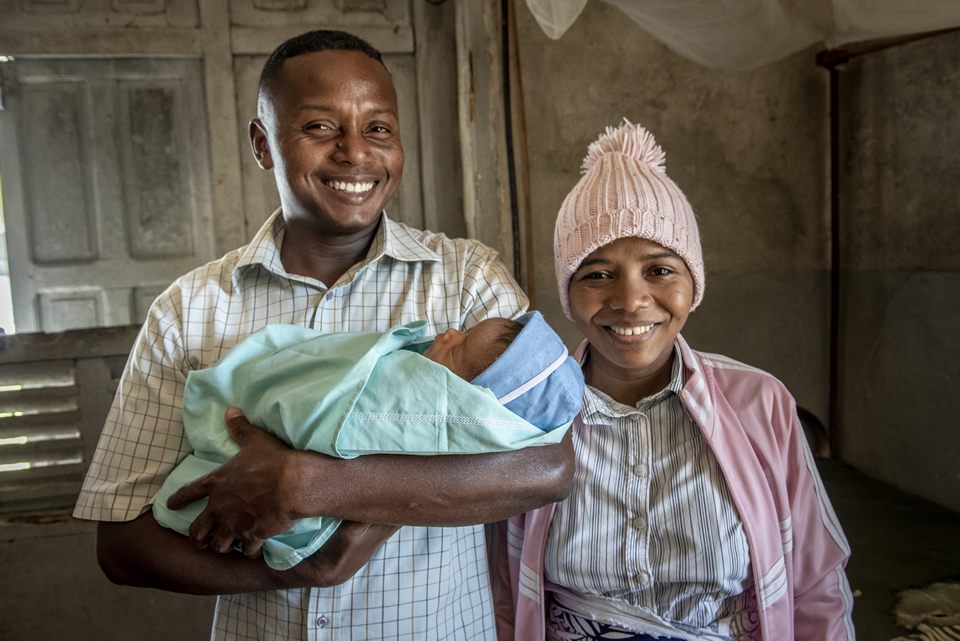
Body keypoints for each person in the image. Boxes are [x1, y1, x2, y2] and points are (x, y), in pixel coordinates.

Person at [73, 29, 574, 641]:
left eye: (379, 128)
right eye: (319, 127)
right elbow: (121, 545)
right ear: (263, 144)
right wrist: (303, 571)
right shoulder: (190, 310)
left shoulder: (466, 282)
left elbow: (548, 466)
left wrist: (316, 485)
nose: (355, 153)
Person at [492, 121, 855, 641]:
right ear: (568, 294)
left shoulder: (760, 403)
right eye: (597, 273)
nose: (631, 300)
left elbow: (816, 584)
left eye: (660, 269)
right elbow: (503, 589)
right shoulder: (526, 414)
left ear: (694, 282)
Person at [153, 312, 583, 571]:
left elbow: (552, 468)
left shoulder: (473, 274)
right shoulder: (181, 311)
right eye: (462, 331)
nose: (449, 332)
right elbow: (118, 554)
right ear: (265, 152)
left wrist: (302, 482)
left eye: (459, 348)